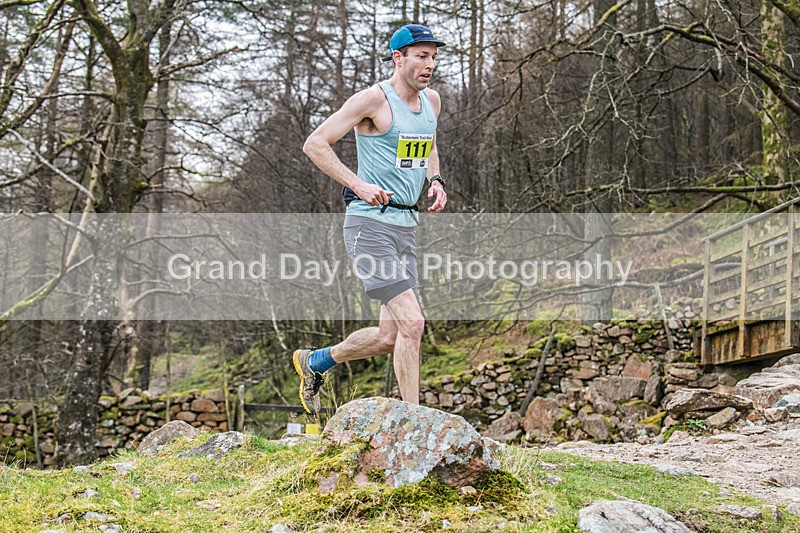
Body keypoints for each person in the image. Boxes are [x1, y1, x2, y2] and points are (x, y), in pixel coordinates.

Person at [294, 24, 448, 415]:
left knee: (388, 335)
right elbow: (315, 144)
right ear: (399, 58)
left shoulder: (432, 102)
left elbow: (428, 142)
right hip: (369, 226)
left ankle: (316, 361)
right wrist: (359, 184)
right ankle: (416, 421)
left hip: (405, 227)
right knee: (413, 324)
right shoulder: (373, 101)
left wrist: (436, 179)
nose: (429, 64)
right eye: (421, 56)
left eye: (433, 56)